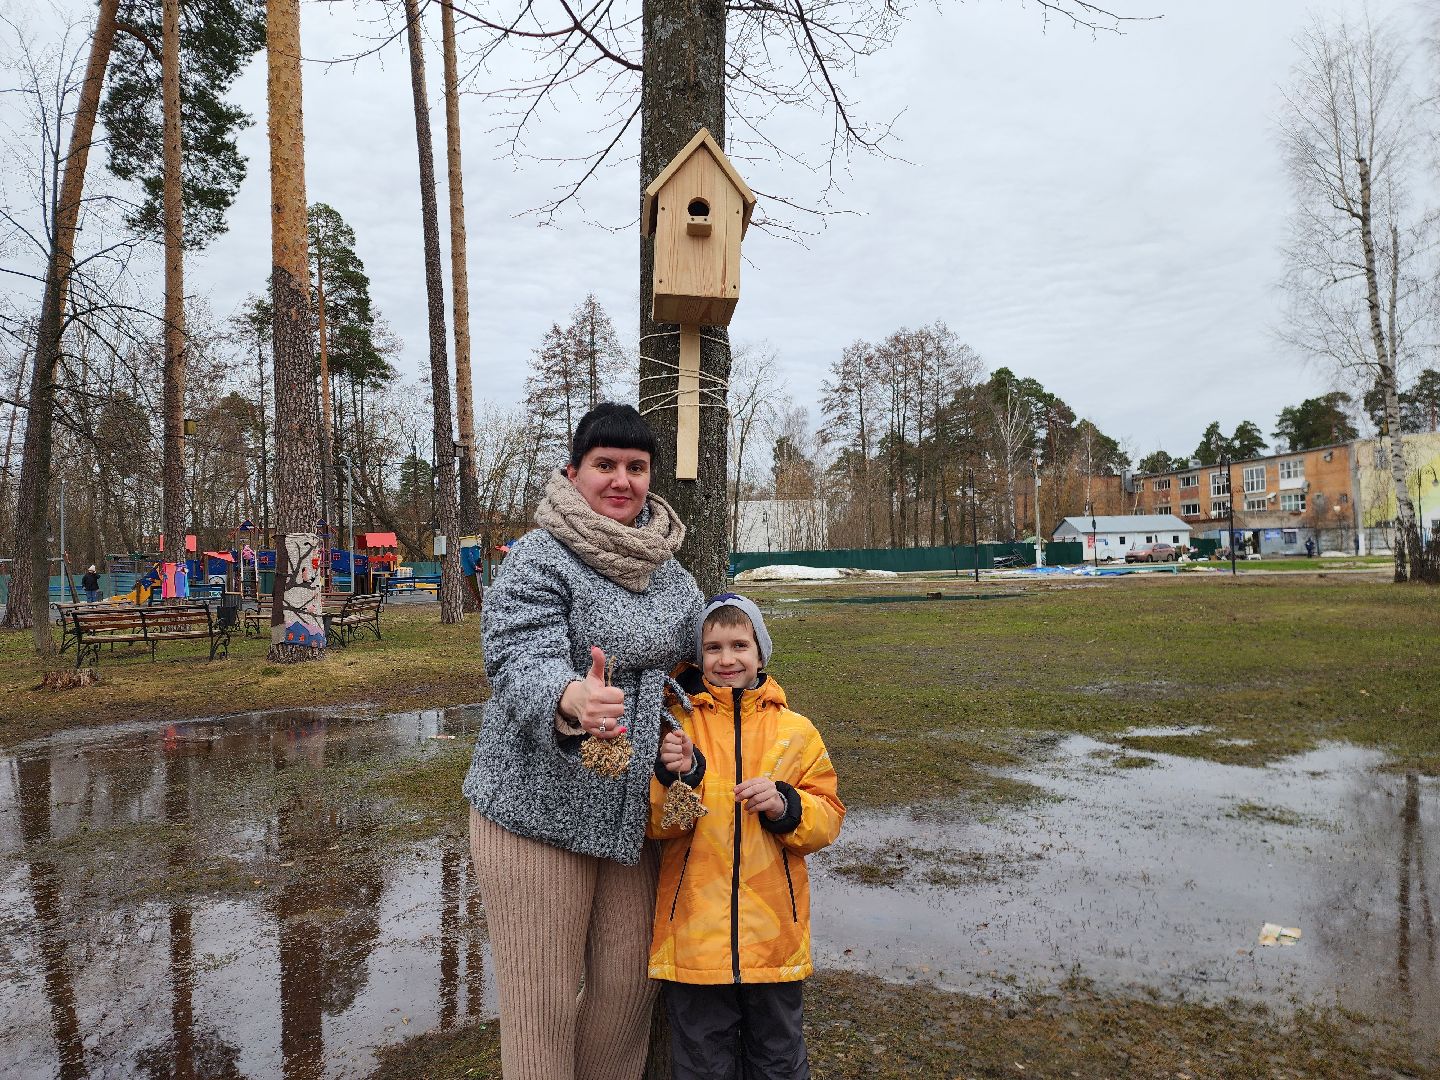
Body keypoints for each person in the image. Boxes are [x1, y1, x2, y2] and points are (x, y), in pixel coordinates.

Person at [462, 402, 703, 1080]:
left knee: (628, 999)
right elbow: (517, 656)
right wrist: (570, 696)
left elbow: (704, 662)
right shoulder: (541, 557)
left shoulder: (673, 576)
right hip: (533, 813)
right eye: (605, 465)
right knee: (542, 1010)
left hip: (630, 818)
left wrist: (702, 733)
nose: (621, 479)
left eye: (635, 466)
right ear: (574, 473)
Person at [649, 594, 844, 1080]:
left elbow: (828, 817)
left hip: (773, 940)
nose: (727, 658)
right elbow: (656, 825)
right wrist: (683, 779)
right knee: (701, 1065)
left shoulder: (796, 732)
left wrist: (787, 806)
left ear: (761, 653)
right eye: (713, 648)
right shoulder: (677, 729)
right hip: (694, 944)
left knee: (778, 1060)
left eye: (740, 644)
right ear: (699, 657)